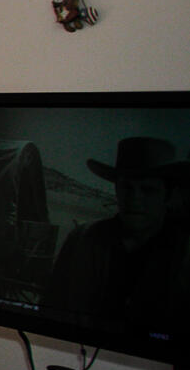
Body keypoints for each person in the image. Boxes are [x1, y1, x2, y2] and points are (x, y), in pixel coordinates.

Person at [46, 137, 187, 335]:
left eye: (148, 190)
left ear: (168, 195)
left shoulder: (183, 254)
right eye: (127, 188)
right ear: (116, 190)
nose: (135, 199)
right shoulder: (81, 240)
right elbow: (51, 310)